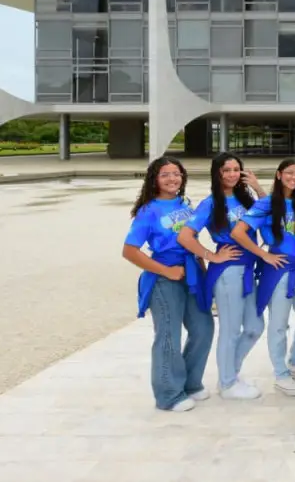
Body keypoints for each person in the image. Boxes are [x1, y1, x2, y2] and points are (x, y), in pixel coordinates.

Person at [122, 156, 214, 412]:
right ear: (155, 179)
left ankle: (191, 383)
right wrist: (167, 271)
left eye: (177, 173)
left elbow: (191, 238)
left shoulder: (186, 203)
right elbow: (129, 251)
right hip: (165, 278)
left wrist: (202, 267)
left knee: (203, 328)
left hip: (193, 275)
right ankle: (168, 394)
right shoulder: (148, 211)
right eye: (165, 174)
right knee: (168, 337)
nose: (173, 179)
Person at [177, 153, 266, 400]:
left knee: (255, 327)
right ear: (217, 173)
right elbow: (185, 236)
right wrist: (210, 255)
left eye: (236, 169)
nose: (231, 174)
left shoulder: (244, 199)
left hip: (249, 269)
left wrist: (257, 186)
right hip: (228, 272)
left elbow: (270, 211)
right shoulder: (210, 204)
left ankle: (230, 374)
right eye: (226, 170)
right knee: (230, 330)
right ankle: (227, 383)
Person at [231, 158, 295, 397]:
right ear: (278, 175)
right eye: (289, 173)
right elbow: (239, 232)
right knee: (279, 325)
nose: (294, 177)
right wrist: (264, 255)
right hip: (278, 270)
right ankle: (280, 373)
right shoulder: (267, 204)